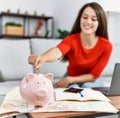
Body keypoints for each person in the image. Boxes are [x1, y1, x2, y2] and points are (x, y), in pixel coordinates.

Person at [28, 2, 112, 88]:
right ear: (80, 19)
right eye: (85, 17)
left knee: (87, 87)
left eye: (94, 19)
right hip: (71, 76)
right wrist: (43, 58)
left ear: (100, 23)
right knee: (73, 88)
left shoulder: (106, 46)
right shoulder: (71, 40)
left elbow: (94, 76)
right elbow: (58, 51)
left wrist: (69, 79)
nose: (88, 22)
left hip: (90, 79)